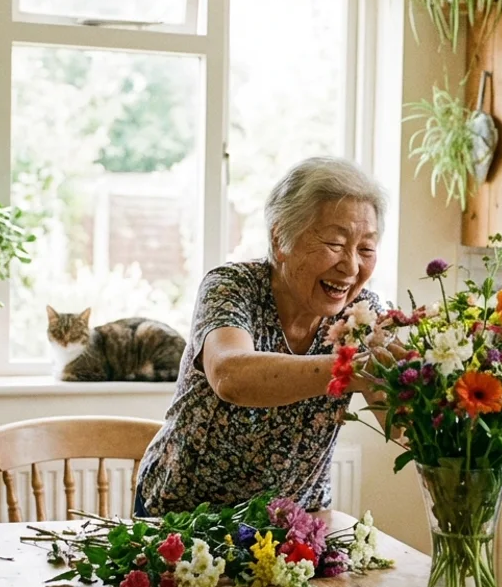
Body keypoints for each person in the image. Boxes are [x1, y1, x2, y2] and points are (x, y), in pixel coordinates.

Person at [135, 156, 386, 516]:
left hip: (295, 523)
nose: (350, 266)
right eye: (334, 243)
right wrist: (351, 370)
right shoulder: (232, 286)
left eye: (366, 249)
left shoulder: (361, 313)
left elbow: (409, 428)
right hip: (186, 517)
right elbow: (230, 374)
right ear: (280, 237)